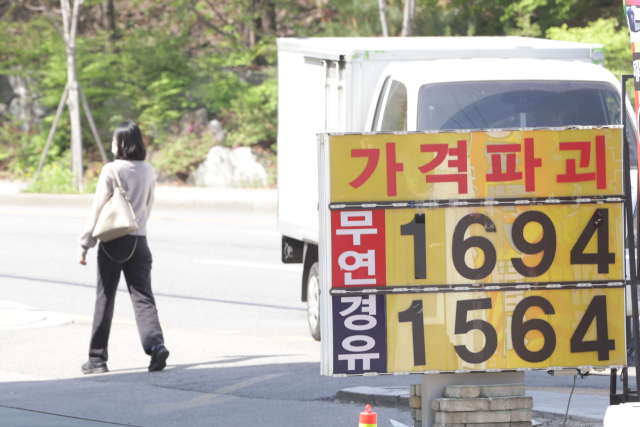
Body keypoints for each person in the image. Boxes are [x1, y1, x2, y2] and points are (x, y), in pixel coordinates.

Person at [77, 120, 169, 374]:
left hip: (113, 242)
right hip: (140, 241)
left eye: (115, 140)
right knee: (143, 298)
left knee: (105, 299)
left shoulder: (111, 170)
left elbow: (97, 209)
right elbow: (148, 206)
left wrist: (85, 243)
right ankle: (156, 347)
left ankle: (97, 360)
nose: (112, 144)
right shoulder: (148, 170)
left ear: (122, 143)